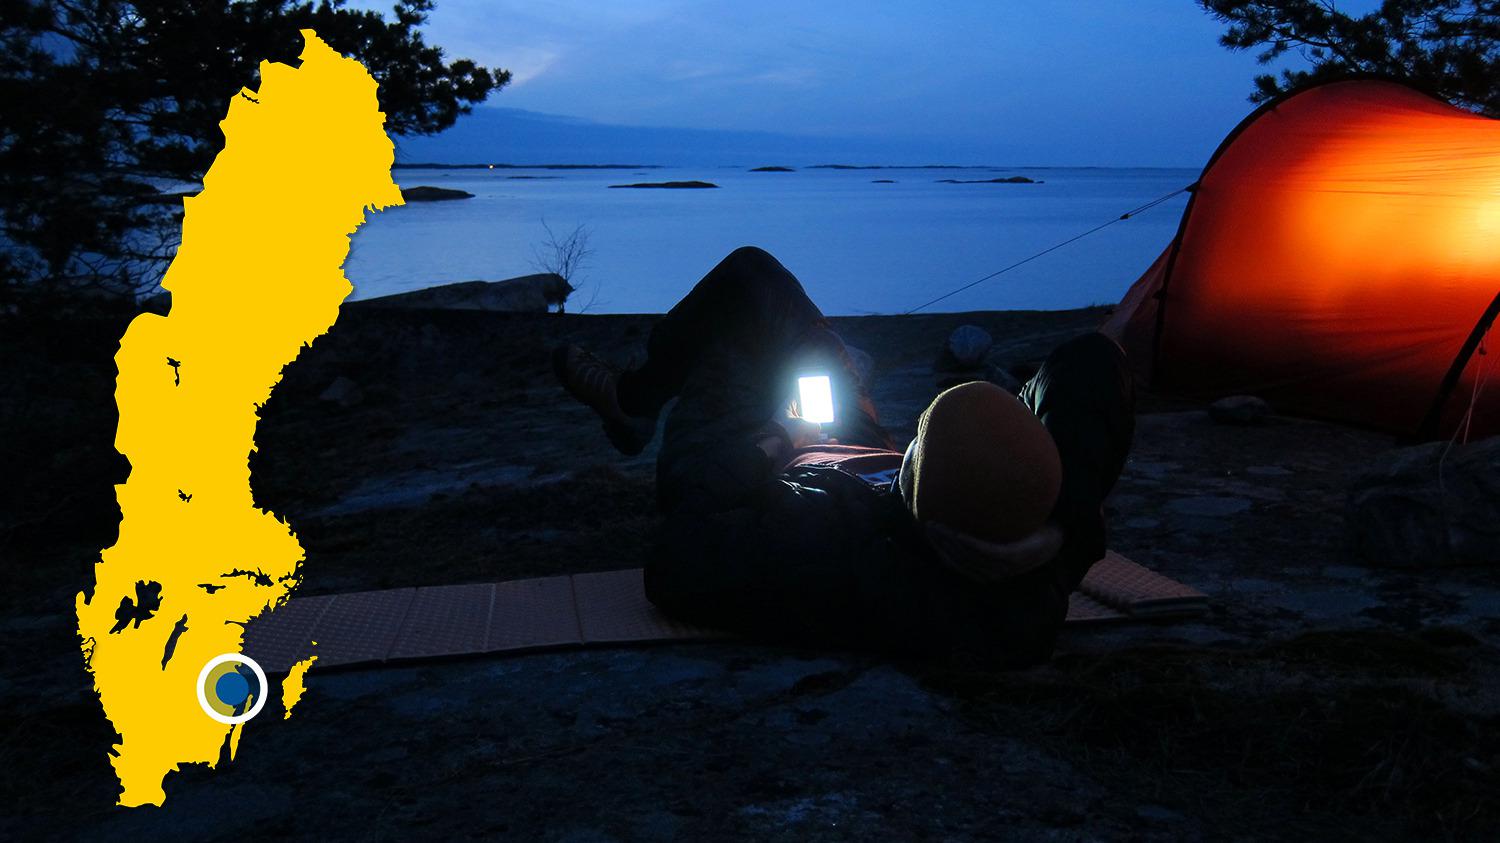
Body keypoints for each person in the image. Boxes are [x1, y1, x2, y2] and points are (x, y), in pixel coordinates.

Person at [553, 247, 1134, 666]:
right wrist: (1058, 529)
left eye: (918, 449)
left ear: (916, 478)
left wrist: (779, 438)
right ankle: (639, 399)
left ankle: (632, 402)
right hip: (855, 440)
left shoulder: (842, 553)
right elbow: (1093, 359)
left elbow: (675, 558)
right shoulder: (1038, 554)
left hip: (757, 452)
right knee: (772, 294)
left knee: (749, 278)